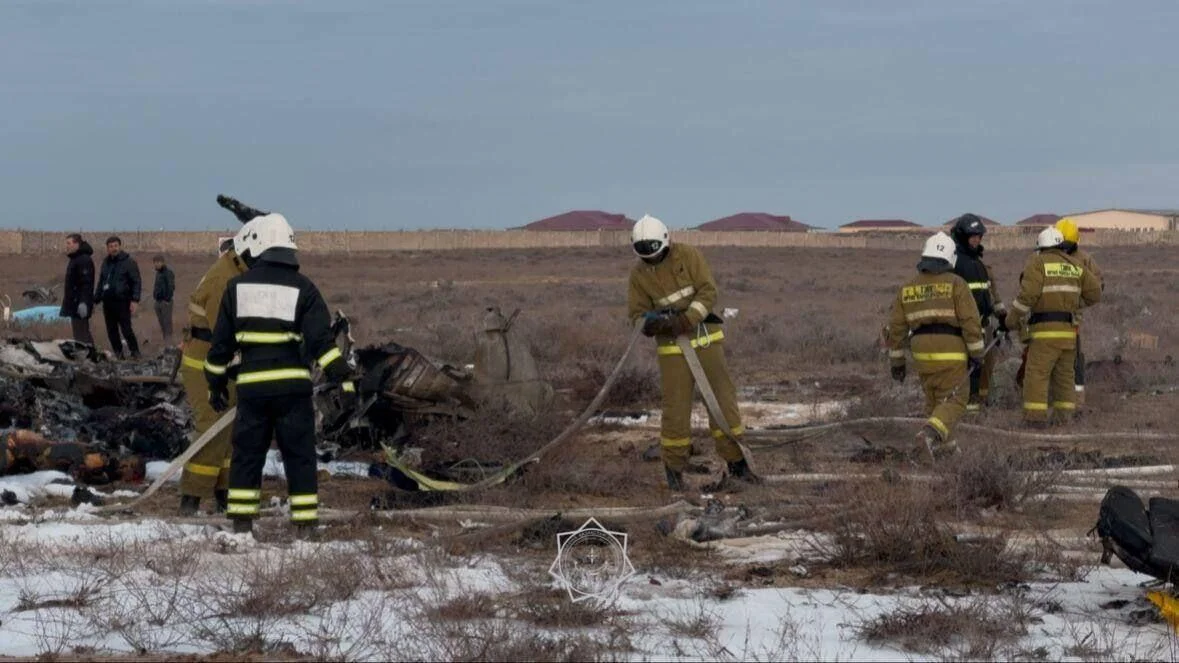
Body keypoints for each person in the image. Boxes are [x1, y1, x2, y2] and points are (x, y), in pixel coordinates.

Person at [204, 213, 354, 535]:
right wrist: (343, 376)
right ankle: (305, 526)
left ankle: (242, 525)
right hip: (293, 391)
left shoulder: (236, 288)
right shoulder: (305, 288)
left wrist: (215, 384)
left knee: (247, 456)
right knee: (299, 457)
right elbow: (321, 343)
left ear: (256, 245)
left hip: (252, 392)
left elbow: (219, 350)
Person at [626, 214, 759, 492]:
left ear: (665, 242)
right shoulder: (638, 275)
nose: (651, 260)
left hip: (705, 340)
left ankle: (738, 466)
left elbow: (708, 291)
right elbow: (637, 314)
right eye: (646, 256)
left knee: (722, 403)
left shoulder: (688, 256)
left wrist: (686, 319)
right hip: (672, 350)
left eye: (655, 254)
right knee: (675, 410)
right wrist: (653, 324)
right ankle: (674, 472)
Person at [887, 231, 985, 460]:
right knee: (956, 400)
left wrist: (897, 362)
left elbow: (896, 328)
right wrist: (977, 353)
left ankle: (944, 450)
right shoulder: (956, 284)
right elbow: (970, 322)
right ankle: (929, 435)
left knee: (934, 401)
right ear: (950, 258)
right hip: (950, 349)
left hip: (921, 353)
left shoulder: (907, 287)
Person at [177, 234, 252, 516]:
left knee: (230, 431)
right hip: (206, 365)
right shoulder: (225, 280)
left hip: (222, 362)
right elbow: (225, 330)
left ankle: (226, 492)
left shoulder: (236, 272)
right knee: (212, 427)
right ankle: (191, 497)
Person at [1005, 227, 1102, 427]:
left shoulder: (1037, 263)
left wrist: (1011, 321)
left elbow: (1027, 297)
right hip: (1069, 334)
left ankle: (1034, 419)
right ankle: (1064, 419)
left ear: (1041, 247)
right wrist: (1074, 304)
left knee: (1037, 375)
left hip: (1045, 333)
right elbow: (1095, 293)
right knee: (1065, 377)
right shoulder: (1074, 264)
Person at [948, 214, 1007, 411]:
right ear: (962, 236)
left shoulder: (979, 264)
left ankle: (980, 405)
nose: (977, 240)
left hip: (984, 325)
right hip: (962, 329)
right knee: (967, 371)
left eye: (979, 236)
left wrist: (1002, 317)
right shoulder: (954, 263)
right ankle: (966, 410)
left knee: (983, 369)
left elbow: (990, 294)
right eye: (972, 236)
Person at [1055, 217, 1103, 410]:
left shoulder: (1084, 260)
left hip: (1071, 319)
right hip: (1048, 317)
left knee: (1074, 359)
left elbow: (1097, 286)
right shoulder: (1047, 257)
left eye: (1068, 245)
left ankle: (1077, 399)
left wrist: (1078, 302)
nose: (1065, 249)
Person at [94, 236, 142, 359]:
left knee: (126, 329)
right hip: (108, 302)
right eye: (111, 246)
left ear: (119, 246)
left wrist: (135, 300)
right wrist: (96, 298)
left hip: (122, 301)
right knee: (112, 332)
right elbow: (101, 281)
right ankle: (119, 355)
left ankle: (135, 353)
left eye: (115, 246)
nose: (113, 249)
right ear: (107, 248)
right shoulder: (106, 263)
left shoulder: (128, 262)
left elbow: (136, 281)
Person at [60, 233, 95, 345]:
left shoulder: (83, 259)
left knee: (82, 334)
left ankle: (90, 356)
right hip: (74, 302)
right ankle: (87, 355)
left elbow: (86, 283)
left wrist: (83, 302)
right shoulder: (75, 259)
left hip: (80, 303)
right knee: (79, 333)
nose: (67, 246)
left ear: (77, 244)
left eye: (69, 243)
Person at [152, 255, 176, 347]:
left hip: (165, 303)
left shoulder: (168, 273)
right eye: (155, 262)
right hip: (158, 302)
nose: (157, 264)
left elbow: (171, 287)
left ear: (163, 262)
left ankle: (170, 345)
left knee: (167, 324)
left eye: (158, 262)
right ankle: (166, 344)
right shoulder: (158, 274)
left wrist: (167, 299)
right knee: (162, 324)